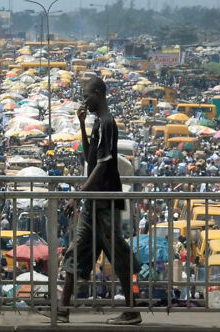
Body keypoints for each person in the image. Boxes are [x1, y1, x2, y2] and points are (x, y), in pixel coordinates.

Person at [55, 77, 142, 325]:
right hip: (93, 203)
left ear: (98, 93)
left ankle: (132, 310)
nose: (85, 101)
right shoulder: (96, 124)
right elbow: (90, 158)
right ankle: (62, 310)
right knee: (75, 251)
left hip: (104, 201)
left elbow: (103, 167)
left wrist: (78, 195)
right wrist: (82, 126)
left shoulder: (107, 123)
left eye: (87, 96)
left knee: (118, 255)